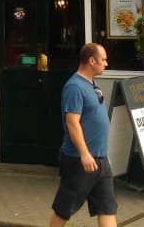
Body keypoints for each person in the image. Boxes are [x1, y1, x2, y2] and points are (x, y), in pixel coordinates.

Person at [48, 43, 117, 227]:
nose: (106, 63)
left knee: (107, 208)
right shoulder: (74, 87)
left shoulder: (92, 84)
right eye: (103, 59)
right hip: (79, 161)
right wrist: (85, 154)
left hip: (100, 160)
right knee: (63, 210)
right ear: (91, 60)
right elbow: (72, 122)